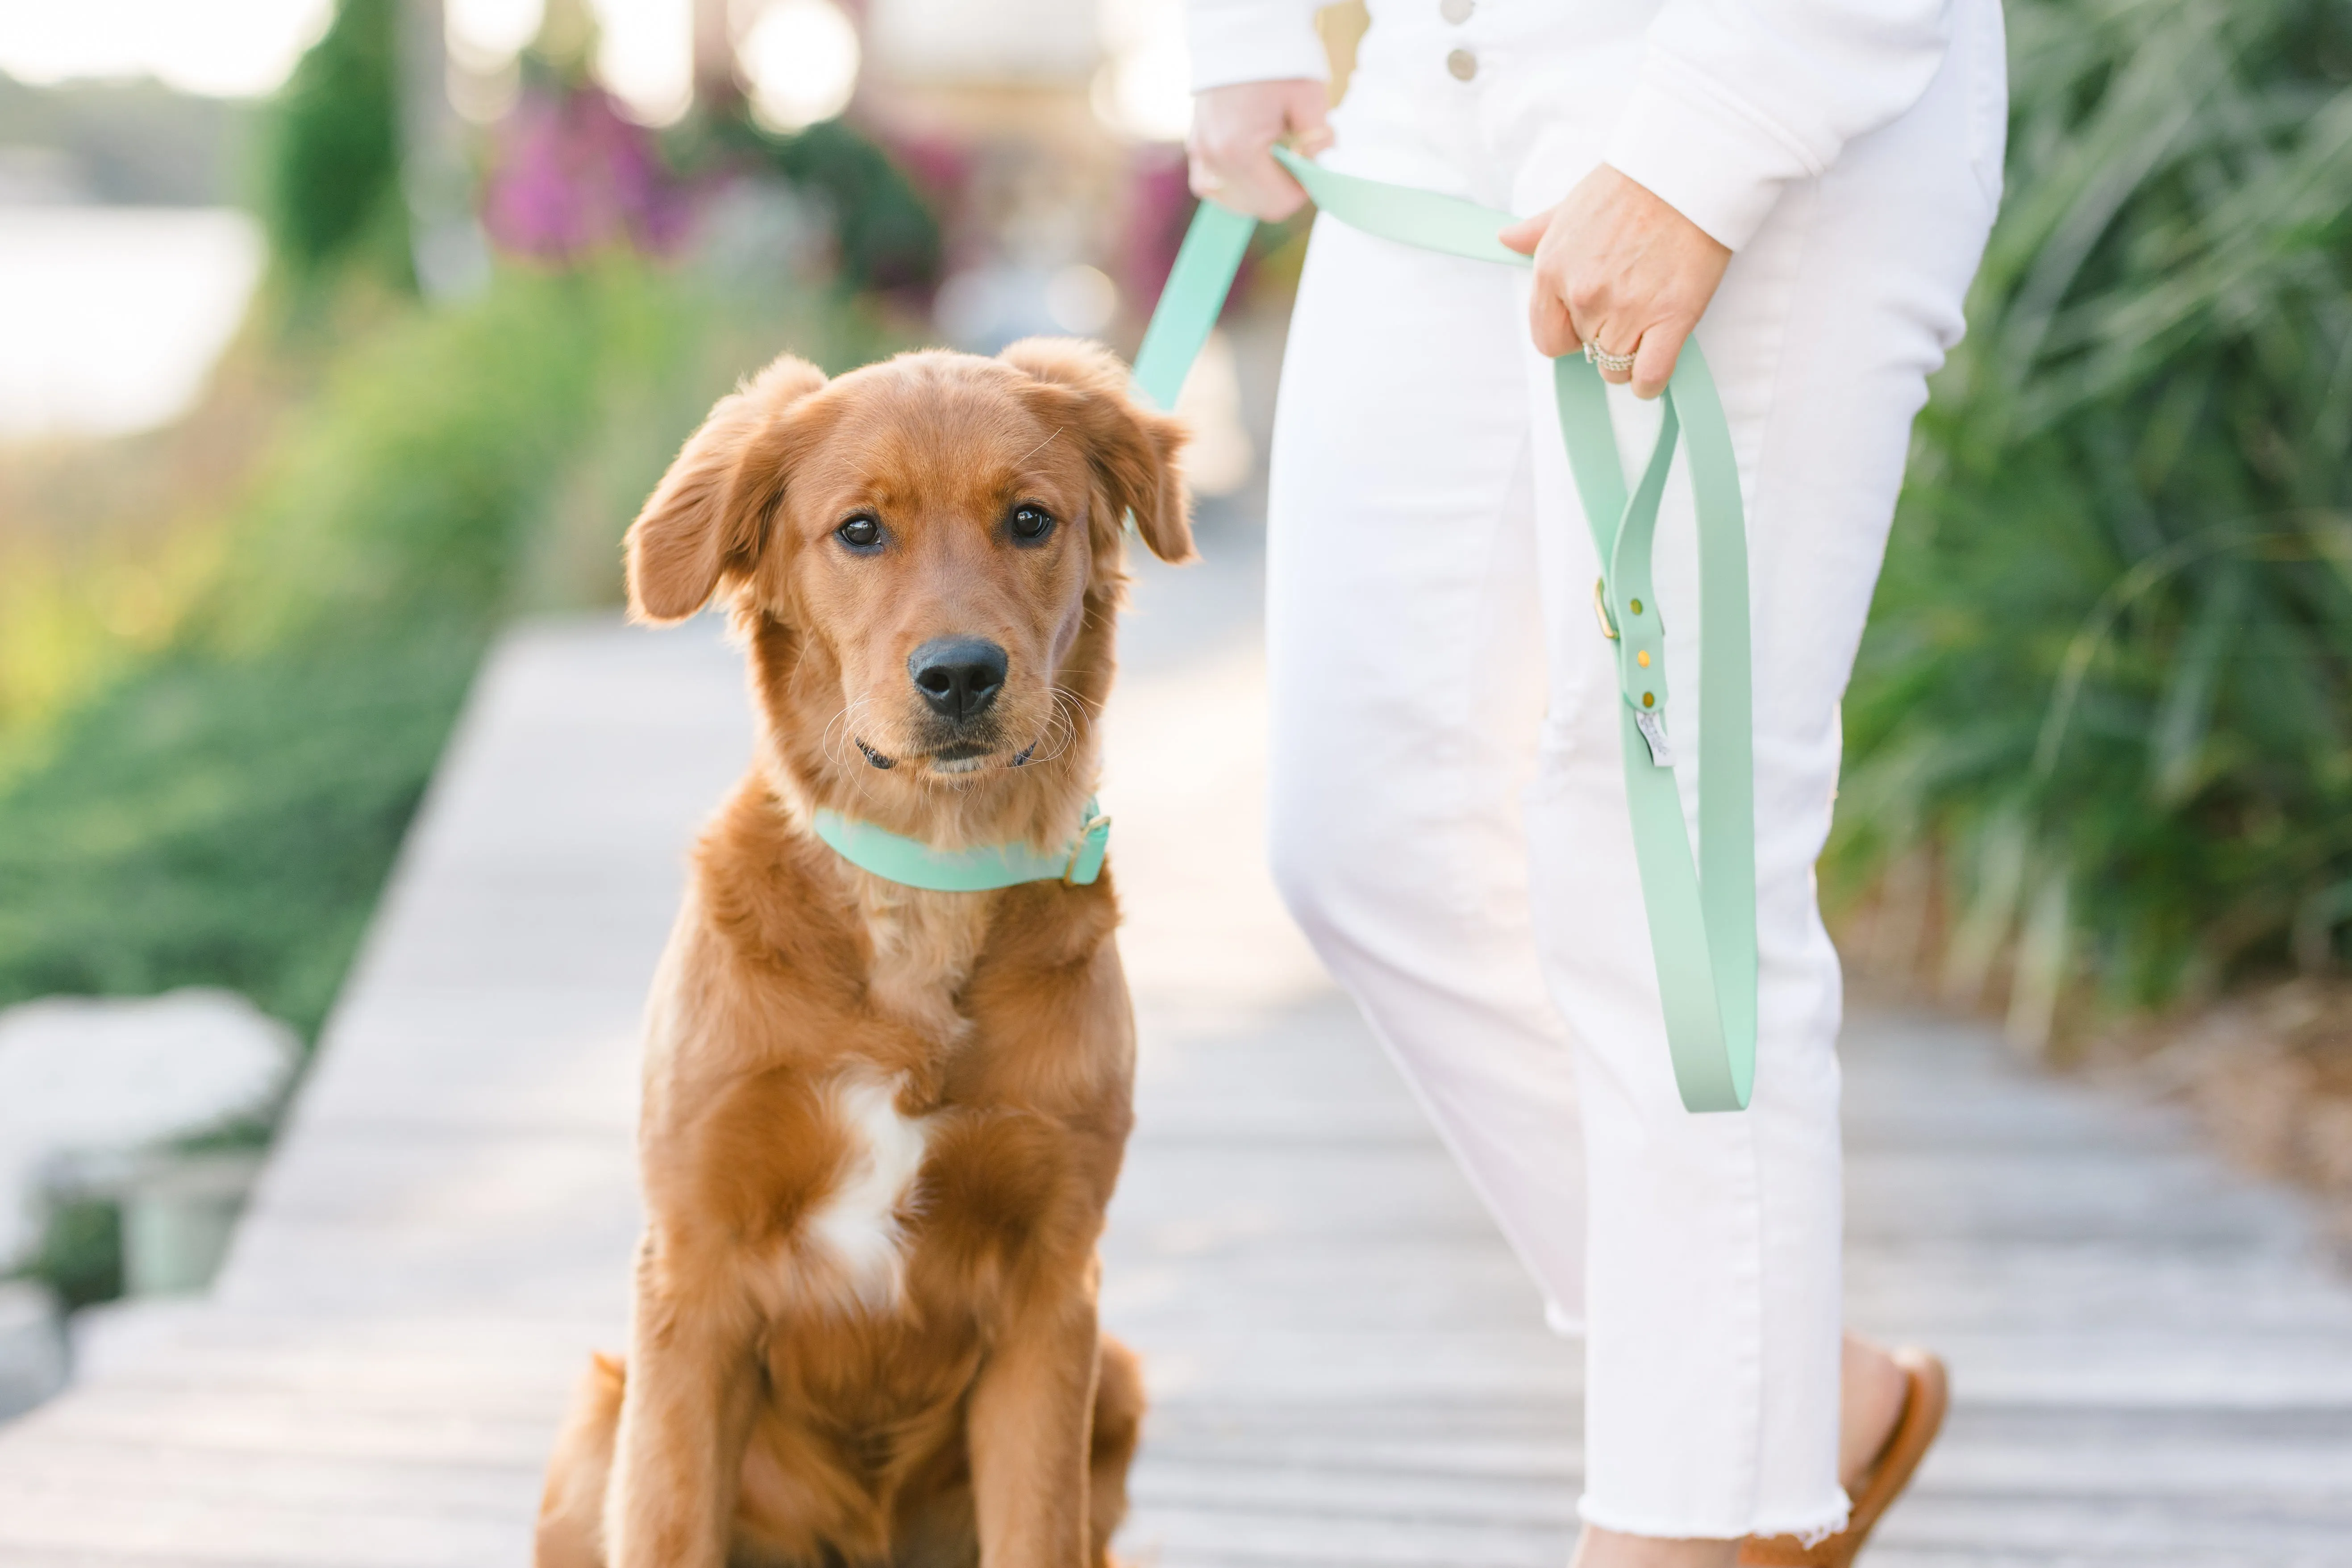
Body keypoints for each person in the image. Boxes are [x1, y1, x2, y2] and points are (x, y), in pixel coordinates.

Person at [1182, 1, 2005, 1564]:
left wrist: (1708, 143)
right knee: (1371, 838)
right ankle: (1777, 1392)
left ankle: (1697, 1510)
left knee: (1664, 858)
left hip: (1763, 59)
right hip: (1435, 71)